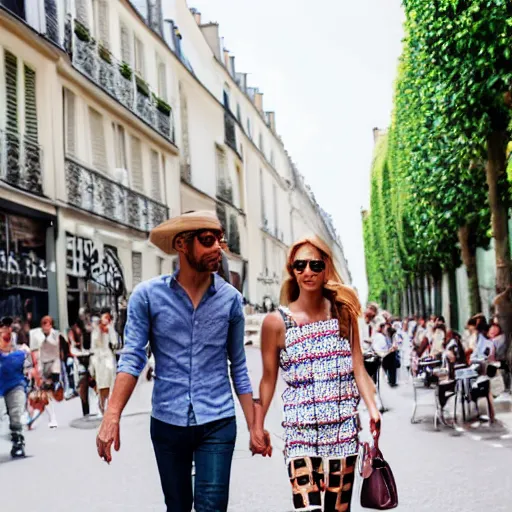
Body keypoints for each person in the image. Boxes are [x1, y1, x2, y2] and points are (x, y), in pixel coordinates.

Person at [96, 210, 254, 512]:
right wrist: (111, 414)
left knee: (212, 507)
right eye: (207, 241)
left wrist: (254, 425)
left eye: (219, 241)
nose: (216, 249)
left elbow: (239, 366)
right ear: (182, 244)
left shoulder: (231, 300)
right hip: (167, 420)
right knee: (177, 507)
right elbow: (132, 357)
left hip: (217, 420)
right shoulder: (147, 296)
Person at [250, 235, 380, 512]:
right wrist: (257, 426)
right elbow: (268, 379)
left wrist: (373, 409)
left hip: (343, 432)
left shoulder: (343, 314)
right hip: (300, 434)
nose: (307, 271)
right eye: (300, 265)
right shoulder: (275, 323)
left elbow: (358, 367)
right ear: (292, 270)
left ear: (326, 269)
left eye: (314, 265)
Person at [0, 317, 31, 458]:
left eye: (7, 327)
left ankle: (18, 442)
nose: (5, 331)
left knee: (15, 413)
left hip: (15, 386)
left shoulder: (21, 352)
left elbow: (29, 369)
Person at [29, 316, 62, 428]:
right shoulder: (36, 335)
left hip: (54, 365)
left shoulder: (55, 334)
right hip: (43, 364)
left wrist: (46, 336)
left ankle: (50, 415)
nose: (46, 326)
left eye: (48, 323)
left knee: (51, 391)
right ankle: (52, 417)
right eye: (44, 323)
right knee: (45, 392)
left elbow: (55, 345)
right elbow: (34, 350)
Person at [89, 309, 118, 415]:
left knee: (110, 381)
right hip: (98, 358)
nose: (105, 320)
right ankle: (101, 404)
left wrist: (111, 329)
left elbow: (115, 342)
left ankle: (109, 405)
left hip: (108, 357)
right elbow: (93, 346)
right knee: (101, 383)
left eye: (107, 318)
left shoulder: (110, 329)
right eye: (104, 317)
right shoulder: (96, 330)